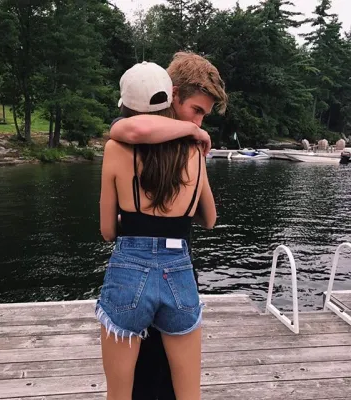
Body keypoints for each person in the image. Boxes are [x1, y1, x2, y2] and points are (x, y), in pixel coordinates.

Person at [108, 52, 228, 400]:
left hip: (136, 273)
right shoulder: (165, 140)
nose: (199, 122)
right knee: (162, 376)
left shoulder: (126, 148)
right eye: (196, 110)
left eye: (203, 116)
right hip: (177, 270)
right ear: (173, 95)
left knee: (146, 376)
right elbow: (209, 218)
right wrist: (193, 135)